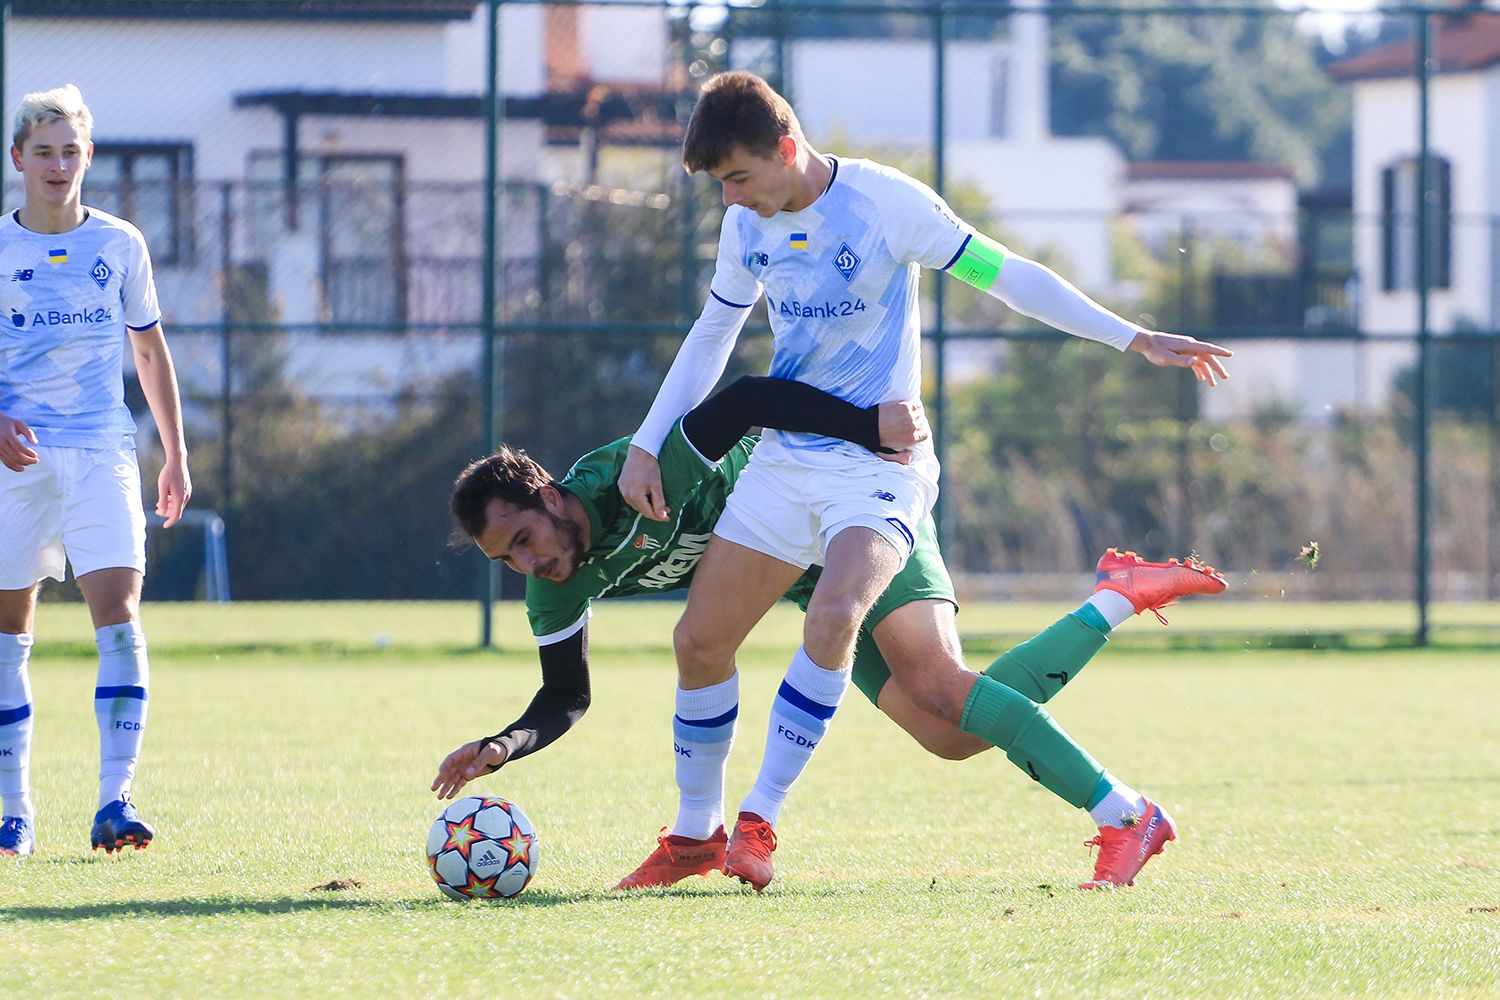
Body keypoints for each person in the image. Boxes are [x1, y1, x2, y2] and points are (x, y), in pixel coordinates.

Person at [612, 71, 1233, 889]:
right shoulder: (744, 227)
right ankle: (696, 835)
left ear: (786, 148)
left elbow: (1006, 274)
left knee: (840, 618)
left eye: (738, 178)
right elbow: (711, 338)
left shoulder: (886, 204)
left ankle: (758, 819)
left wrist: (1133, 337)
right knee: (711, 644)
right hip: (787, 462)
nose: (731, 200)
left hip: (880, 467)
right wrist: (648, 444)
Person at [431, 376, 1226, 891]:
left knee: (944, 687)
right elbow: (566, 695)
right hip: (807, 575)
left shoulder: (634, 474)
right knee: (948, 734)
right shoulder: (550, 581)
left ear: (545, 491)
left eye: (525, 540)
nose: (529, 565)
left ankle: (1125, 813)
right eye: (508, 561)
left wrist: (862, 426)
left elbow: (746, 399)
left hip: (853, 508)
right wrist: (505, 744)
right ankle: (1115, 600)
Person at [0, 85, 191, 858]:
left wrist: (175, 451)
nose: (56, 164)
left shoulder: (120, 244)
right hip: (17, 464)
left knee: (120, 620)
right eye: (42, 151)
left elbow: (148, 350)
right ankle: (13, 812)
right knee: (10, 637)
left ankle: (116, 801)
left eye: (69, 151)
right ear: (18, 159)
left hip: (103, 451)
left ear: (88, 158)